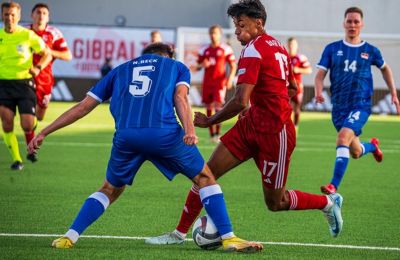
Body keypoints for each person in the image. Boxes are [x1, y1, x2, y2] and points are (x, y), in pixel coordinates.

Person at [28, 43, 263, 253]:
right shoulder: (176, 66)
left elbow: (83, 107)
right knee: (205, 178)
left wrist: (44, 131)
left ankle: (70, 236)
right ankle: (229, 238)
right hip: (165, 134)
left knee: (110, 188)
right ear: (167, 55)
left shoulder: (119, 70)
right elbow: (181, 98)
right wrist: (189, 129)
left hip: (127, 137)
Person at [145, 0, 344, 246]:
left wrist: (210, 120)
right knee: (205, 174)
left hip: (275, 133)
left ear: (258, 23)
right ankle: (178, 234)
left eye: (241, 25)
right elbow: (291, 88)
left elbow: (240, 101)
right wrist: (263, 106)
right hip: (251, 126)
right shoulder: (278, 47)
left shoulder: (253, 49)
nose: (237, 31)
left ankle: (327, 203)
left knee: (275, 202)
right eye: (236, 26)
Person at [314, 7, 400, 195]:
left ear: (362, 24)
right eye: (349, 21)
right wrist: (319, 91)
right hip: (339, 108)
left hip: (360, 105)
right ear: (344, 23)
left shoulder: (370, 51)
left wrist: (393, 92)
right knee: (355, 151)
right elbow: (320, 75)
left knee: (342, 138)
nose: (352, 25)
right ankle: (372, 146)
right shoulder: (332, 48)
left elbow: (385, 69)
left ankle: (333, 186)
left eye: (356, 21)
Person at [0, 1, 51, 170]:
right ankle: (17, 159)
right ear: (2, 15)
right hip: (3, 85)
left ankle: (31, 142)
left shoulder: (27, 35)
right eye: (6, 14)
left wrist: (37, 67)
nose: (9, 18)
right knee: (7, 124)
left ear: (19, 16)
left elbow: (47, 54)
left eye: (13, 14)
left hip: (24, 84)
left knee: (27, 124)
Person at [27, 2, 72, 162]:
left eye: (44, 13)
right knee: (29, 114)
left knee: (39, 116)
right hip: (26, 77)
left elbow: (68, 56)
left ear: (48, 17)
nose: (41, 15)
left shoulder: (54, 33)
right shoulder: (24, 32)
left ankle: (31, 128)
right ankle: (30, 148)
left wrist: (48, 51)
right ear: (32, 15)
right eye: (38, 12)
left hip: (45, 79)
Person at [192, 25, 237, 143]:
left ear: (220, 34)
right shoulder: (204, 50)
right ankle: (212, 135)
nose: (213, 35)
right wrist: (202, 65)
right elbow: (196, 67)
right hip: (207, 82)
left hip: (219, 82)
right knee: (208, 107)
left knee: (218, 106)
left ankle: (217, 134)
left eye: (215, 33)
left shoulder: (225, 49)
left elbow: (233, 65)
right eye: (211, 33)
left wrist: (230, 78)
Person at [287, 37, 312, 134]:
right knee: (286, 108)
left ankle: (295, 127)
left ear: (296, 46)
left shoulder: (301, 58)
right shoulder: (285, 57)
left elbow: (309, 70)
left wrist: (298, 70)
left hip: (297, 87)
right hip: (286, 87)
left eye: (293, 44)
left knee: (297, 108)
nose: (291, 46)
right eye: (290, 44)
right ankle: (287, 127)